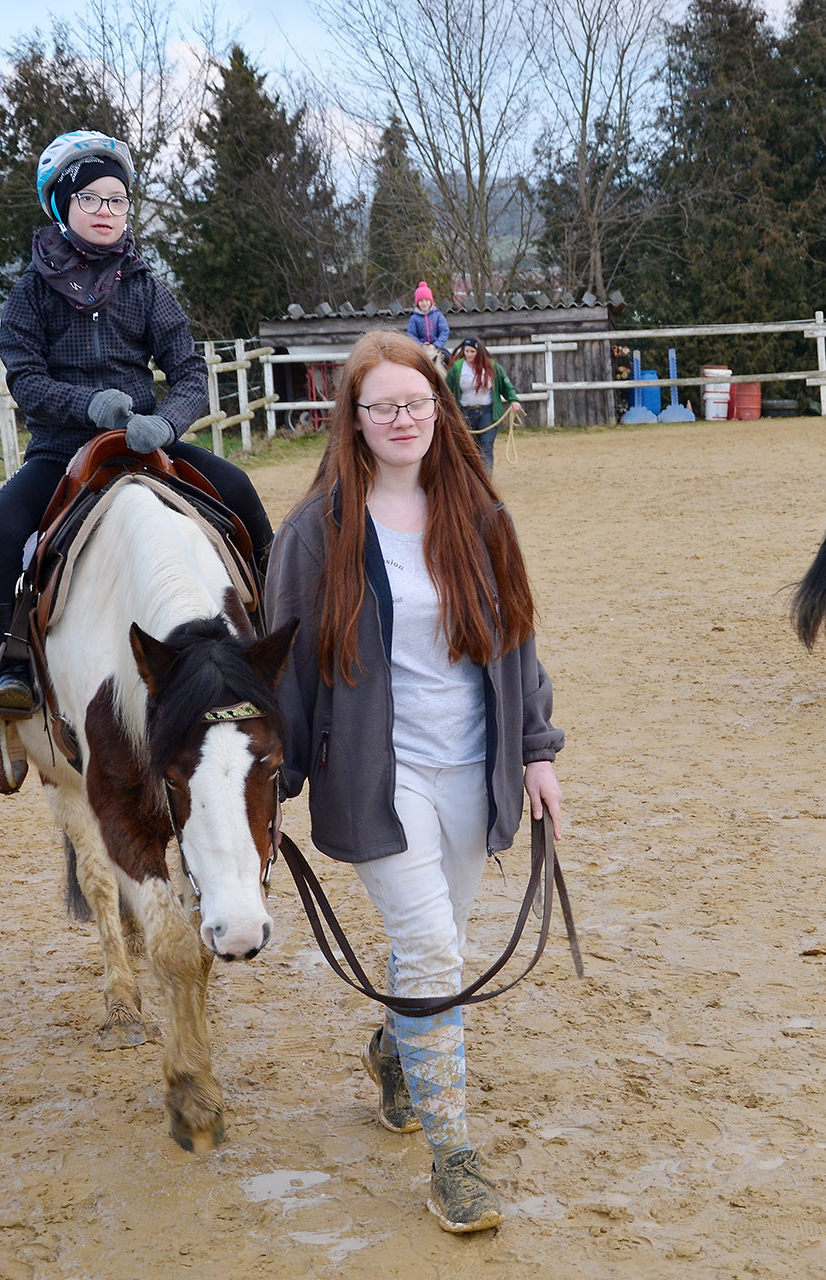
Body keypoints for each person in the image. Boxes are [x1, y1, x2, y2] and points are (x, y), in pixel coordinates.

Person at [263, 330, 565, 1234]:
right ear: (353, 420)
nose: (403, 419)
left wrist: (537, 749)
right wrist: (271, 786)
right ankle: (454, 1158)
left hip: (475, 769)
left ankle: (396, 1047)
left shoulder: (481, 516)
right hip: (376, 774)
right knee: (432, 949)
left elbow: (519, 639)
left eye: (417, 403)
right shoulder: (314, 535)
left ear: (440, 409)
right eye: (383, 406)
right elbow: (284, 670)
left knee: (442, 943)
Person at [0, 131, 273, 714]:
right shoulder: (29, 293)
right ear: (62, 205)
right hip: (62, 450)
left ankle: (270, 625)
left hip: (143, 443)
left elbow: (188, 371)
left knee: (238, 488)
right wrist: (86, 406)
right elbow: (25, 380)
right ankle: (11, 663)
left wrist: (166, 424)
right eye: (90, 198)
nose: (106, 211)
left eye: (117, 199)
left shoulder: (144, 286)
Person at [447, 336, 520, 472]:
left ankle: (486, 478)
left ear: (479, 352)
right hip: (465, 413)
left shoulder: (492, 366)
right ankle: (472, 478)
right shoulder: (457, 368)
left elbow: (506, 385)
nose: (469, 354)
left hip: (487, 412)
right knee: (468, 449)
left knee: (486, 447)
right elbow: (447, 389)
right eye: (467, 351)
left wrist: (513, 400)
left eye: (472, 352)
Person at [406, 282, 451, 371]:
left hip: (437, 348)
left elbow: (444, 331)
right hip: (421, 350)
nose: (424, 303)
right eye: (421, 301)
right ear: (417, 303)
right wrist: (421, 345)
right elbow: (411, 334)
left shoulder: (438, 316)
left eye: (426, 300)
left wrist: (435, 345)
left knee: (450, 360)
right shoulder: (414, 318)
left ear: (431, 301)